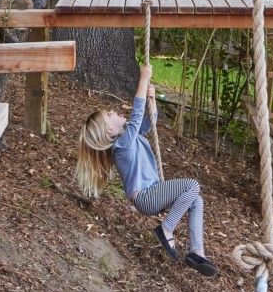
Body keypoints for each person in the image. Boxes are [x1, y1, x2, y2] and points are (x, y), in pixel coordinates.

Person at [75, 64, 219, 278]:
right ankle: (166, 229)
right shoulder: (121, 146)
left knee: (196, 199)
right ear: (110, 130)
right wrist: (143, 80)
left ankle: (196, 252)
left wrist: (153, 99)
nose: (114, 110)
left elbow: (146, 123)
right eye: (109, 114)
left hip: (154, 193)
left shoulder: (131, 139)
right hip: (146, 197)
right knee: (192, 185)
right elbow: (135, 118)